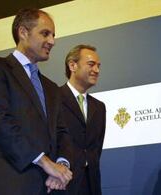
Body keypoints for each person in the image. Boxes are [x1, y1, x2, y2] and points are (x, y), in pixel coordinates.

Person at [0, 8, 73, 195]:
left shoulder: (51, 88)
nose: (52, 41)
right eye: (45, 33)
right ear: (23, 32)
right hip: (9, 182)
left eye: (53, 35)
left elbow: (62, 132)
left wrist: (60, 166)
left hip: (49, 186)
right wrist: (45, 162)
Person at [59, 44, 106, 195]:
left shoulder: (99, 107)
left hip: (91, 185)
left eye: (98, 66)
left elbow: (96, 149)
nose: (97, 70)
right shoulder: (53, 98)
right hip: (61, 184)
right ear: (72, 65)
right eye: (91, 64)